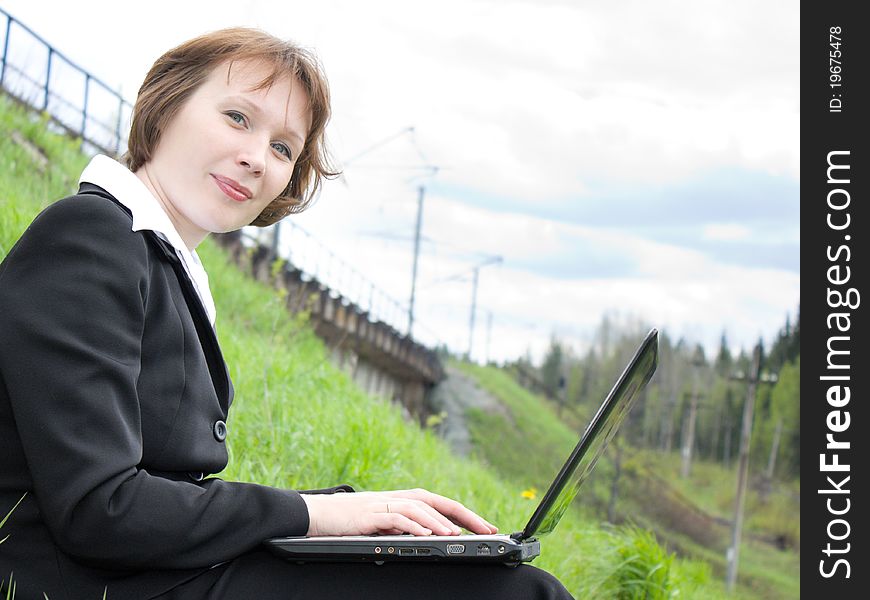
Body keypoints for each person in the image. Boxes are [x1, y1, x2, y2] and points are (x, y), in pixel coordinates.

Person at [0, 27, 573, 599]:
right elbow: (99, 510)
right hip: (90, 584)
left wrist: (348, 512)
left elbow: (159, 494)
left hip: (154, 573)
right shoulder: (91, 236)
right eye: (238, 117)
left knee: (500, 582)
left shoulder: (162, 263)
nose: (255, 158)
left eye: (282, 148)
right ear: (167, 103)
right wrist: (312, 517)